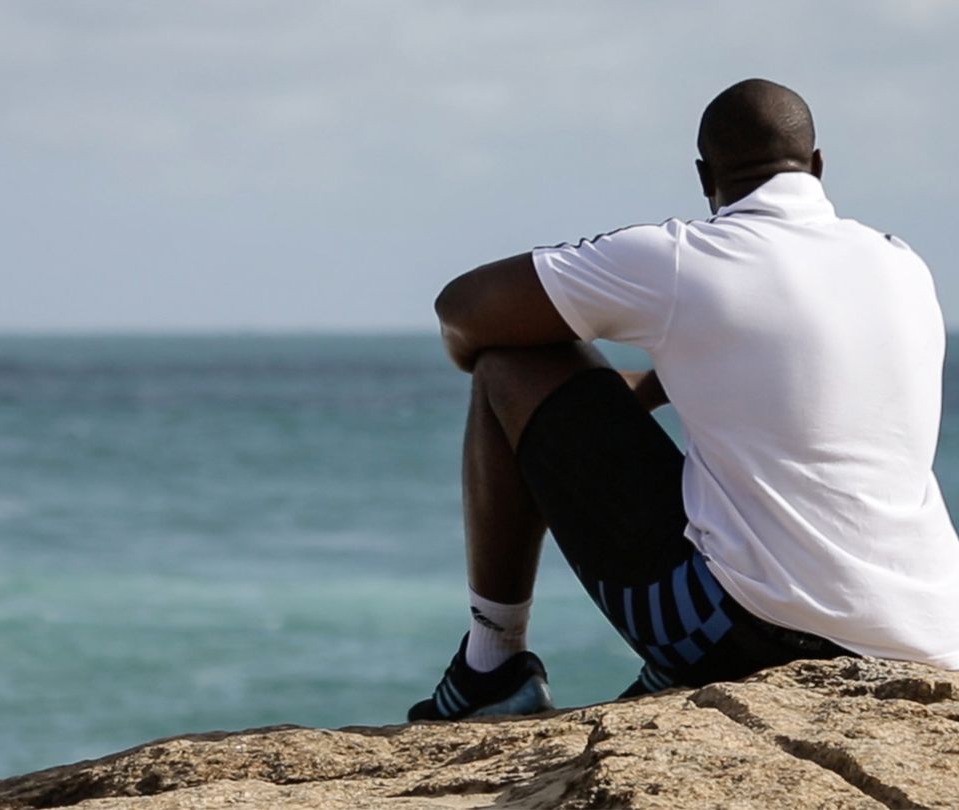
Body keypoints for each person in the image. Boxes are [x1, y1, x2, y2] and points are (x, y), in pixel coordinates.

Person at [409, 78, 959, 722]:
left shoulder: (682, 259)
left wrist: (518, 394)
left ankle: (491, 666)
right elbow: (789, 350)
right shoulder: (900, 263)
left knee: (511, 358)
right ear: (817, 166)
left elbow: (465, 313)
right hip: (930, 637)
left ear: (706, 177)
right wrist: (642, 392)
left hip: (764, 639)